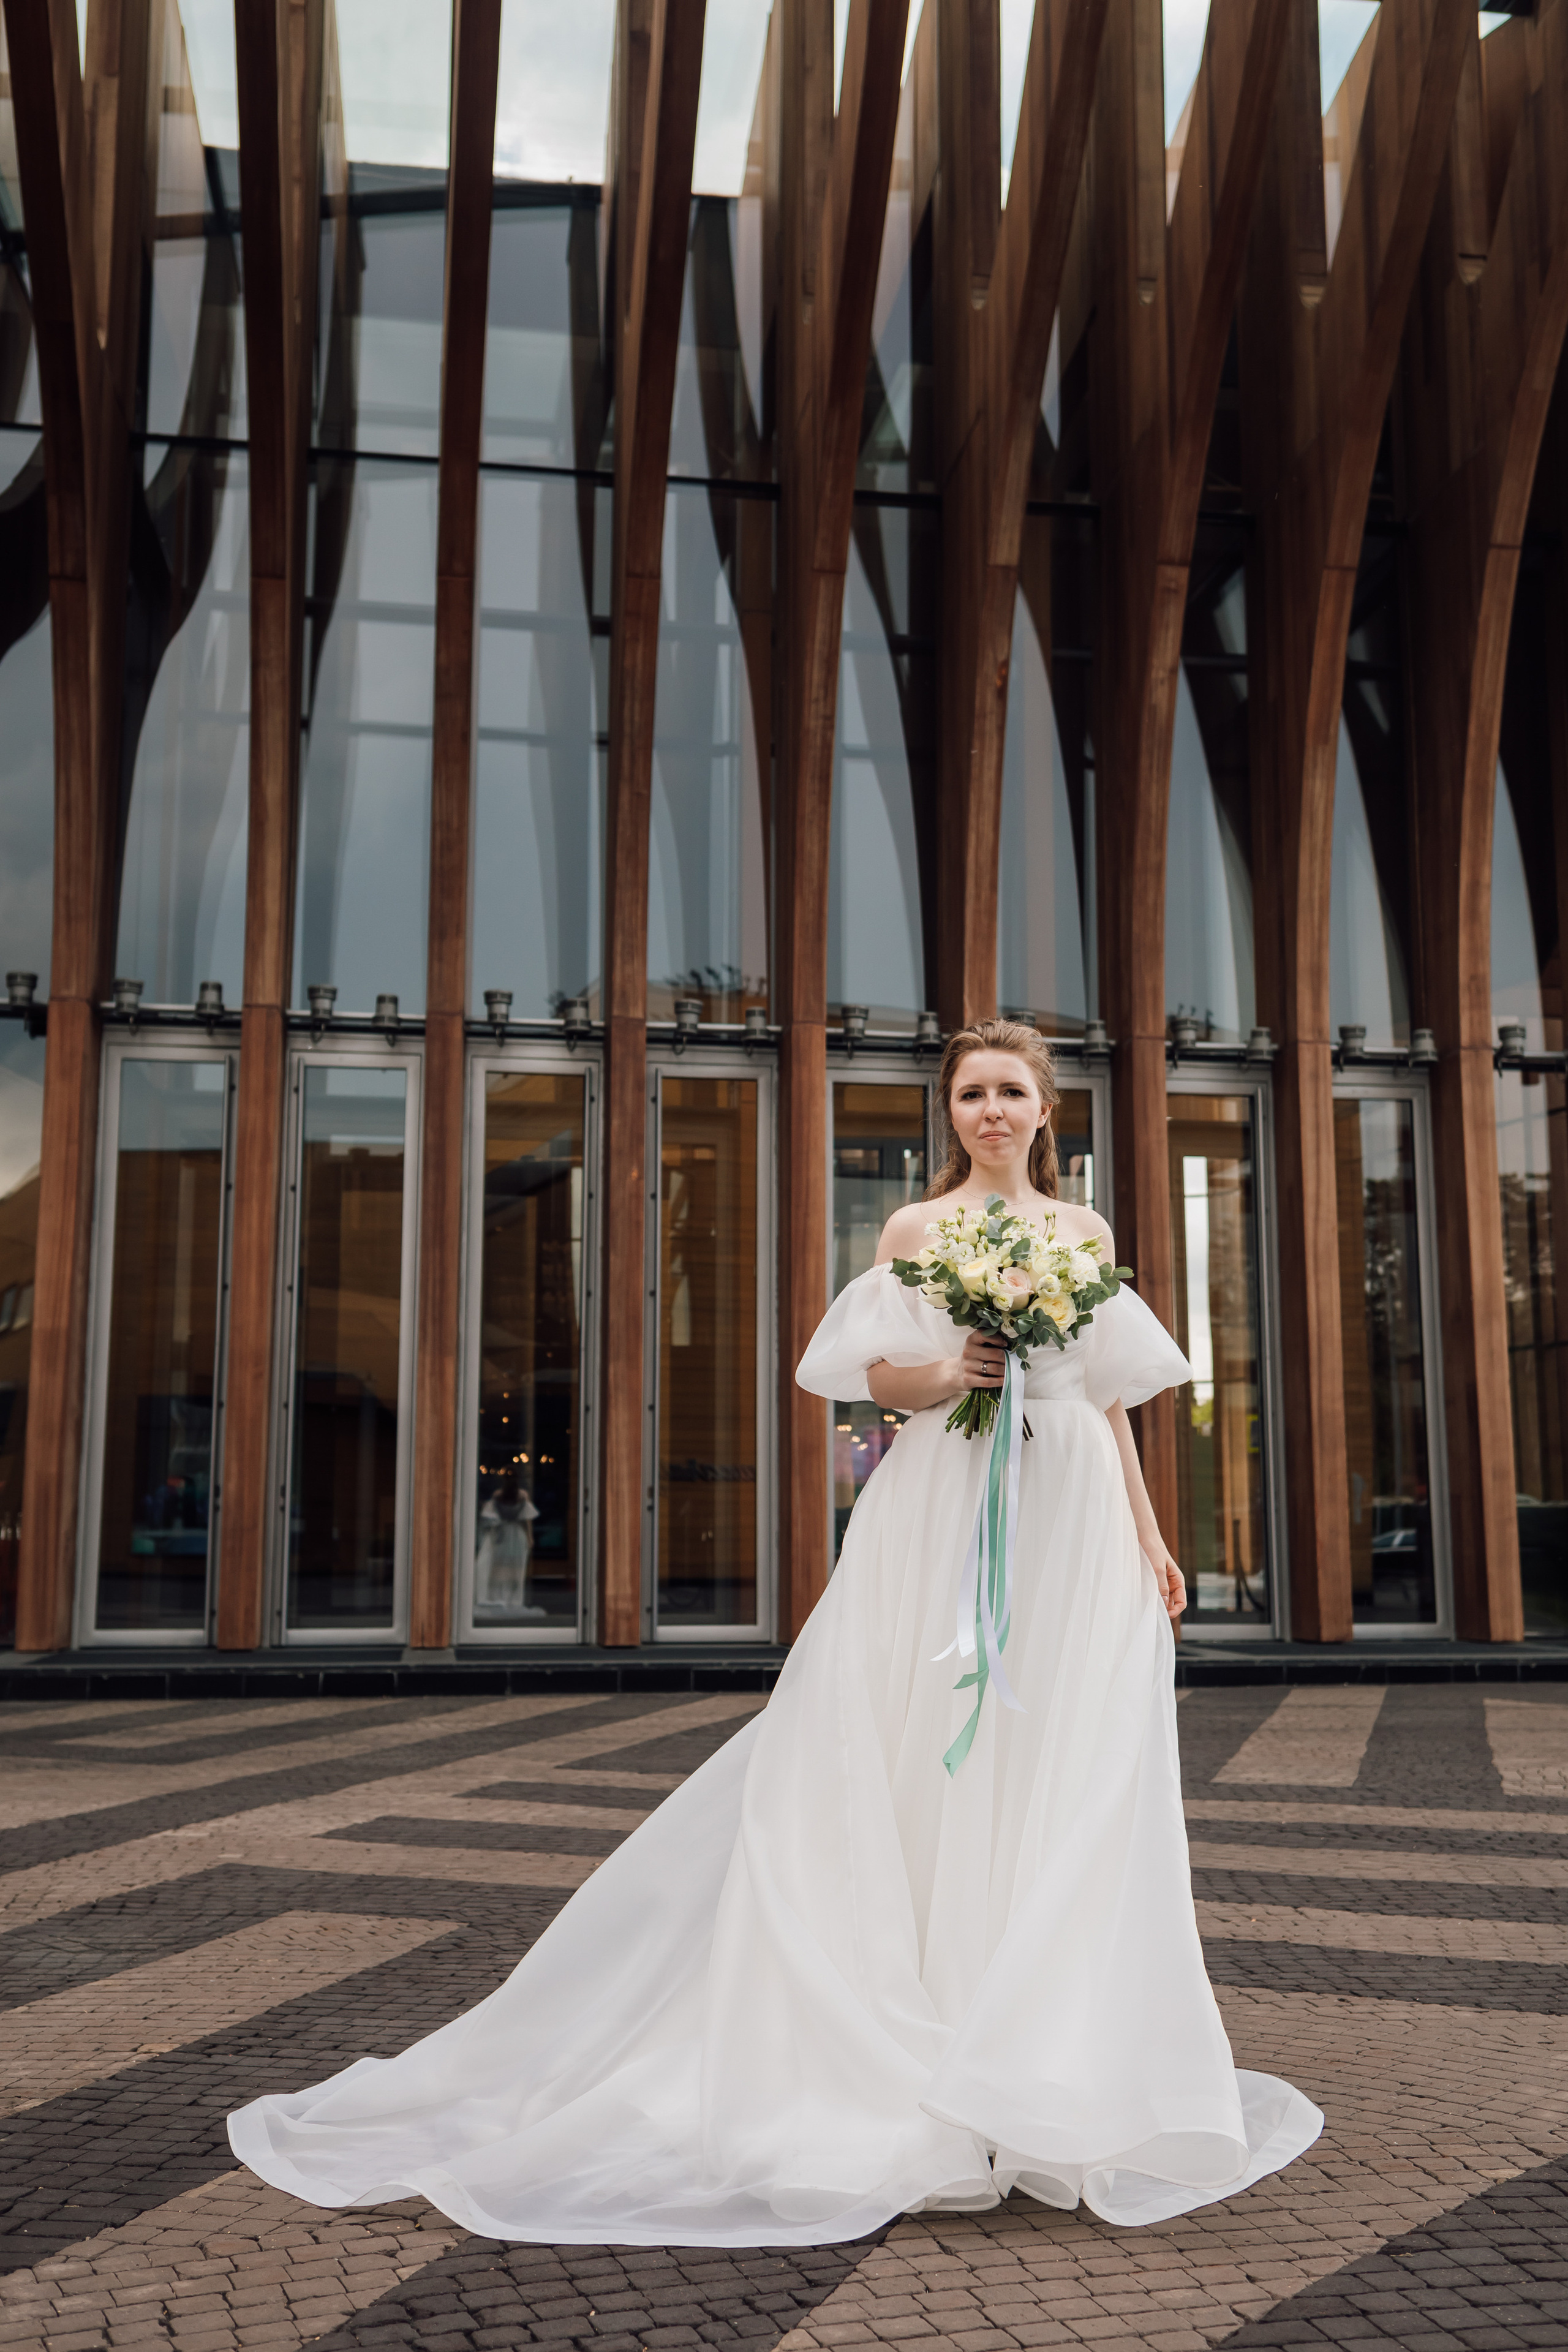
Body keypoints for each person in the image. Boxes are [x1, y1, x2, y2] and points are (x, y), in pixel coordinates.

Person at [228, 1017, 1322, 2246]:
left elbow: (1113, 1403)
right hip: (946, 1501)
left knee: (1064, 1771)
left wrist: (1149, 1536)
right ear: (949, 1111)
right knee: (916, 1754)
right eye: (970, 1093)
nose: (991, 1111)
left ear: (1044, 1110)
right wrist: (954, 1364)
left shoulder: (1086, 1239)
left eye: (1010, 1090)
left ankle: (1041, 2072)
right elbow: (867, 1379)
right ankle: (924, 2058)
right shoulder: (915, 1231)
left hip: (1069, 1508)